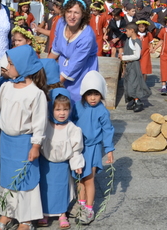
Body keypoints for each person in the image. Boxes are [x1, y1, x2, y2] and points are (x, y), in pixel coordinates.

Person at [0, 45, 49, 230]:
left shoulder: (36, 94)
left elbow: (39, 122)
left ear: (23, 66)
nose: (8, 67)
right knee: (7, 178)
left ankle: (26, 219)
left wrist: (36, 145)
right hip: (6, 142)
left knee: (25, 180)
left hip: (24, 143)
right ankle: (7, 212)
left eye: (12, 64)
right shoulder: (6, 87)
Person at [37, 89, 84, 229]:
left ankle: (62, 214)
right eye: (58, 109)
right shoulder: (45, 126)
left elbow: (76, 149)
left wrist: (77, 164)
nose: (62, 113)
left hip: (63, 165)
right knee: (45, 188)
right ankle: (45, 213)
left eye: (65, 109)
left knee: (62, 188)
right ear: (51, 109)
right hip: (45, 163)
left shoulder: (72, 129)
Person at [72, 71, 114, 225]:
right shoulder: (77, 106)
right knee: (79, 179)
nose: (93, 97)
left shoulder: (102, 111)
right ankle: (81, 204)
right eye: (89, 94)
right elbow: (70, 122)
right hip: (78, 148)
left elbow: (108, 130)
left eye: (96, 94)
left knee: (89, 179)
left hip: (93, 148)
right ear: (83, 94)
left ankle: (89, 208)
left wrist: (109, 149)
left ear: (101, 94)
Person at [51, 0, 99, 103]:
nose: (72, 16)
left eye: (76, 13)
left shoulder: (87, 37)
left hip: (82, 70)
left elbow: (75, 65)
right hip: (63, 66)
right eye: (69, 12)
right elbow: (55, 49)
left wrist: (53, 84)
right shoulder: (61, 23)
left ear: (83, 15)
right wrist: (44, 70)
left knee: (74, 100)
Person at [120, 24, 151, 112]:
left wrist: (124, 58)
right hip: (129, 65)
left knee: (134, 83)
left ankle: (138, 101)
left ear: (132, 30)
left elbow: (137, 56)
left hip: (134, 65)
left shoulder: (137, 41)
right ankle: (132, 100)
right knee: (128, 82)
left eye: (126, 31)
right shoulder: (128, 40)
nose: (125, 33)